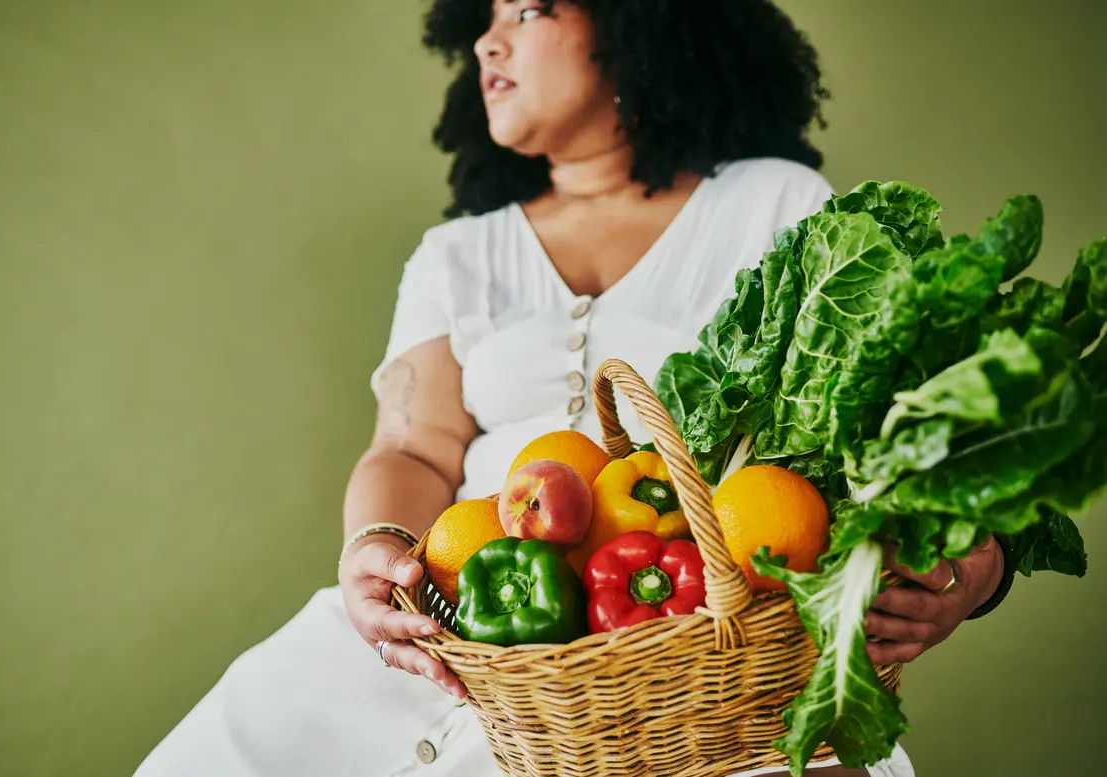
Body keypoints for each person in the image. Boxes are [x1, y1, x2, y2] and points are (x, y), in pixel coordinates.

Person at [134, 1, 1013, 776]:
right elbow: (410, 447)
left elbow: (892, 423)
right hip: (452, 625)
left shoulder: (772, 203)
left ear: (639, 25)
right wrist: (376, 545)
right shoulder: (458, 257)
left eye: (527, 11)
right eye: (482, 20)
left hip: (697, 661)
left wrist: (977, 567)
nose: (486, 43)